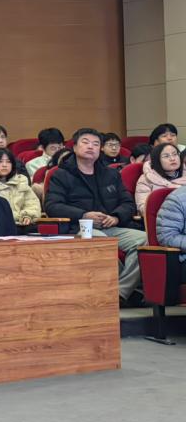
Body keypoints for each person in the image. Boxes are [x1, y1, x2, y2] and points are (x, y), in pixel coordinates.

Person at [44, 128, 146, 303]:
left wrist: (116, 217)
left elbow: (128, 203)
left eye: (96, 144)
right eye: (85, 142)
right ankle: (122, 292)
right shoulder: (61, 175)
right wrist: (83, 215)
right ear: (74, 147)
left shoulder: (111, 174)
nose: (91, 146)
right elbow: (52, 206)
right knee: (100, 241)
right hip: (79, 228)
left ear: (100, 149)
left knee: (145, 240)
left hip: (111, 225)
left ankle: (120, 293)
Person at [0, 148, 41, 227]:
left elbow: (32, 204)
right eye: (0, 162)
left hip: (21, 226)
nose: (4, 165)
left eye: (8, 162)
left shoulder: (21, 181)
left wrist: (27, 216)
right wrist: (18, 217)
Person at [135, 143, 186, 216]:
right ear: (157, 160)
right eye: (166, 156)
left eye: (175, 154)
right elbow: (144, 209)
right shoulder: (146, 179)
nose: (172, 159)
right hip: (161, 219)